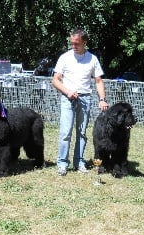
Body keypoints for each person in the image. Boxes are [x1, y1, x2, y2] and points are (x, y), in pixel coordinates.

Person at [51, 29, 108, 176]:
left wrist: (102, 99)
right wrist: (68, 91)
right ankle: (62, 163)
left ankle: (79, 162)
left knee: (82, 133)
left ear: (85, 42)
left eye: (77, 43)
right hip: (68, 98)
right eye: (72, 43)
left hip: (85, 99)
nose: (74, 46)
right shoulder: (65, 57)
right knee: (65, 132)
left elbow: (99, 81)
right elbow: (55, 80)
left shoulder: (92, 59)